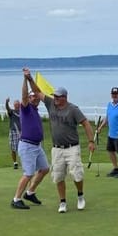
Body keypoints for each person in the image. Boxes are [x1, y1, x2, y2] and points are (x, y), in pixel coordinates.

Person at [24, 67, 95, 213]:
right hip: (57, 148)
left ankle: (80, 195)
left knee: (77, 175)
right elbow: (37, 92)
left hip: (72, 147)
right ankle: (62, 202)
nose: (55, 98)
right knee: (58, 176)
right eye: (54, 96)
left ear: (64, 97)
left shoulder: (73, 109)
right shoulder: (50, 104)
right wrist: (30, 78)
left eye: (57, 97)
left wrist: (91, 141)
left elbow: (86, 123)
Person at [11, 78, 50, 209]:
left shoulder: (35, 110)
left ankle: (30, 192)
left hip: (37, 146)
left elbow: (37, 93)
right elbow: (23, 95)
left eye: (37, 97)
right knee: (28, 173)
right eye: (32, 97)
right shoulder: (26, 108)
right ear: (28, 98)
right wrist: (25, 79)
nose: (35, 99)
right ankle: (16, 199)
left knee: (44, 169)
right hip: (27, 145)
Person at [5, 97, 22, 169]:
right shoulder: (12, 112)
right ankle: (15, 163)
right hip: (13, 131)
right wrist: (6, 102)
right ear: (14, 105)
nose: (17, 105)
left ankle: (24, 162)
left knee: (23, 147)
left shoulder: (23, 112)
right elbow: (7, 108)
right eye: (15, 104)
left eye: (18, 104)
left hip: (22, 131)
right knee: (13, 148)